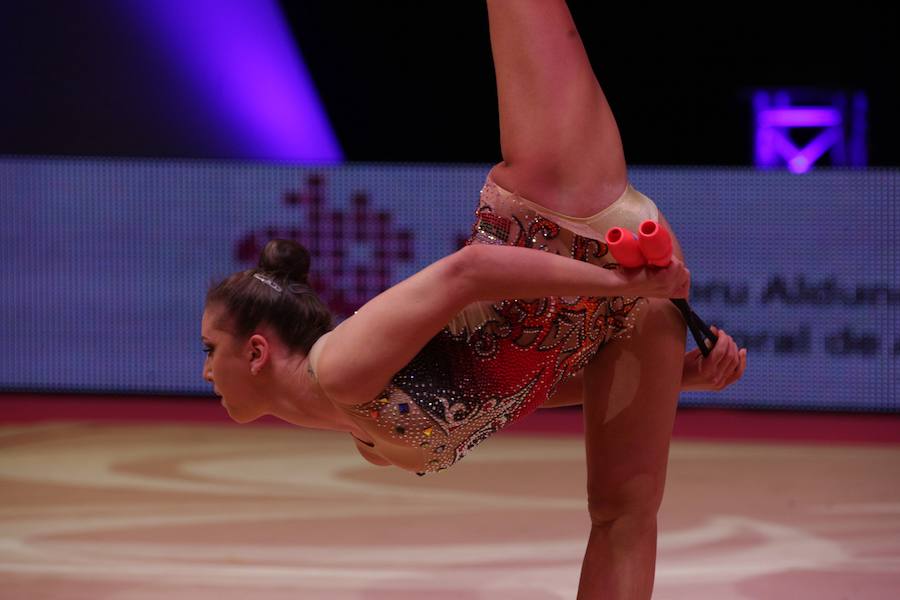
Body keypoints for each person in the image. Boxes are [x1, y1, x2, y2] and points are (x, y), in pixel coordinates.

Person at [200, 1, 747, 597]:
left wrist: (627, 284)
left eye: (209, 348)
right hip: (606, 311)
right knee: (624, 516)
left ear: (257, 351)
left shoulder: (341, 365)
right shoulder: (369, 442)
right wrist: (684, 376)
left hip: (557, 212)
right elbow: (511, 388)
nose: (205, 369)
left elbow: (473, 270)